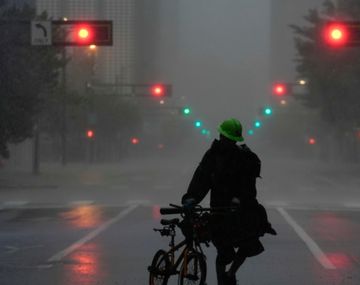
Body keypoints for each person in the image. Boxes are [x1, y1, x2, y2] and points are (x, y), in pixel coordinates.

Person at [181, 118, 276, 285]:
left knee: (249, 244)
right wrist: (191, 198)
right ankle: (221, 280)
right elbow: (201, 179)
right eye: (227, 139)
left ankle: (230, 274)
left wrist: (240, 199)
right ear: (221, 136)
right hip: (218, 211)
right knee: (224, 253)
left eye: (232, 140)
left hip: (241, 211)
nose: (228, 142)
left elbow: (249, 186)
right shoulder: (212, 156)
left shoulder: (245, 158)